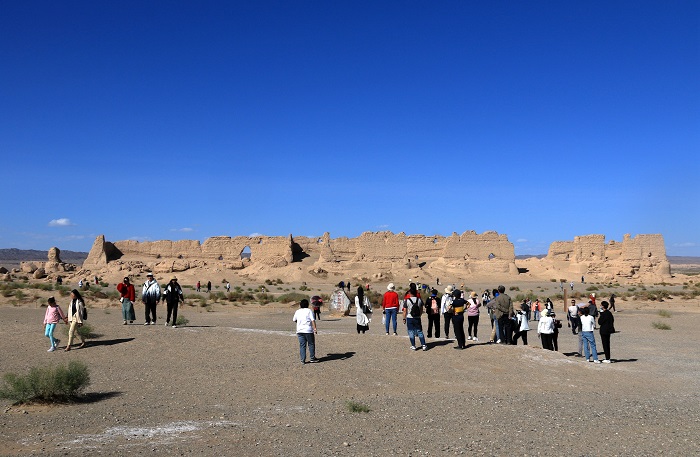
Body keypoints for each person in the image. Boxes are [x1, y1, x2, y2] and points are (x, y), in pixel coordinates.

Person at [293, 299, 318, 364]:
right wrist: (315, 328)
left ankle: (302, 360)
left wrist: (299, 323)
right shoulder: (309, 311)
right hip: (308, 330)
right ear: (307, 304)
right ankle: (312, 358)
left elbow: (294, 320)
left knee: (302, 345)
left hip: (300, 331)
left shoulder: (297, 311)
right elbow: (313, 320)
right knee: (311, 344)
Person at [402, 286, 427, 351]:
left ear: (410, 293)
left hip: (410, 317)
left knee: (411, 332)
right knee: (419, 331)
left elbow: (405, 311)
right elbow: (421, 309)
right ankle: (423, 345)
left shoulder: (407, 301)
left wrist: (404, 318)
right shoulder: (419, 300)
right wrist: (419, 315)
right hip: (417, 317)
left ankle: (413, 345)